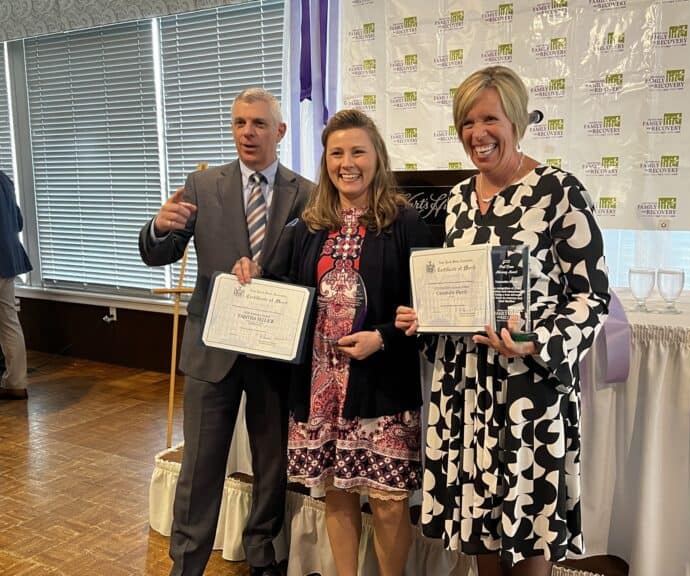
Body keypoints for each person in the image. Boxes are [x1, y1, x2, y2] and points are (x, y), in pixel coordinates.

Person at [395, 66, 611, 576]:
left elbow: (592, 296)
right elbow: (455, 292)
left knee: (527, 523)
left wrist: (537, 342)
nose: (477, 133)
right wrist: (425, 318)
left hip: (527, 393)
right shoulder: (456, 204)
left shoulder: (559, 192)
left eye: (489, 118)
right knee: (480, 532)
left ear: (516, 120)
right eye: (467, 122)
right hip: (463, 392)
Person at [234, 109, 432, 576]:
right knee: (338, 494)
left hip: (381, 388)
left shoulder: (404, 223)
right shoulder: (307, 226)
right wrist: (251, 278)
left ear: (377, 157)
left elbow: (430, 310)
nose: (347, 162)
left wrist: (381, 338)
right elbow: (277, 289)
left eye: (357, 151)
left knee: (387, 503)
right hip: (319, 390)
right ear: (325, 161)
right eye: (336, 152)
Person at [139, 88, 313, 576]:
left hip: (274, 352)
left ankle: (262, 555)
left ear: (279, 131)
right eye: (239, 123)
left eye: (258, 123)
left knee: (271, 464)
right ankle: (187, 562)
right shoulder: (201, 185)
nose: (247, 133)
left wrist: (272, 279)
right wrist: (156, 226)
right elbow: (161, 252)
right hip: (210, 349)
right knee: (200, 464)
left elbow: (312, 270)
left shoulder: (309, 192)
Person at [0, 170, 32, 401]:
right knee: (9, 322)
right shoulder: (4, 178)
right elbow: (18, 221)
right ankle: (16, 383)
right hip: (7, 260)